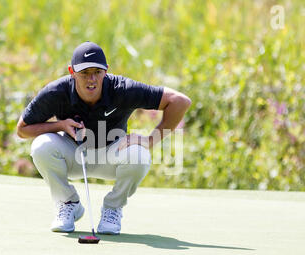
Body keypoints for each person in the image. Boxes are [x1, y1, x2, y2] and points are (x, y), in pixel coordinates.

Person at [16, 41, 191, 235]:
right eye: (84, 73)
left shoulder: (123, 89)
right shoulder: (56, 92)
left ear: (106, 71)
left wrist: (150, 141)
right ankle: (68, 202)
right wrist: (59, 125)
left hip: (112, 155)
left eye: (97, 72)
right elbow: (22, 130)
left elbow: (180, 101)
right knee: (41, 146)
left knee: (140, 155)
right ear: (71, 71)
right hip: (74, 155)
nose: (91, 79)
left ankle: (112, 208)